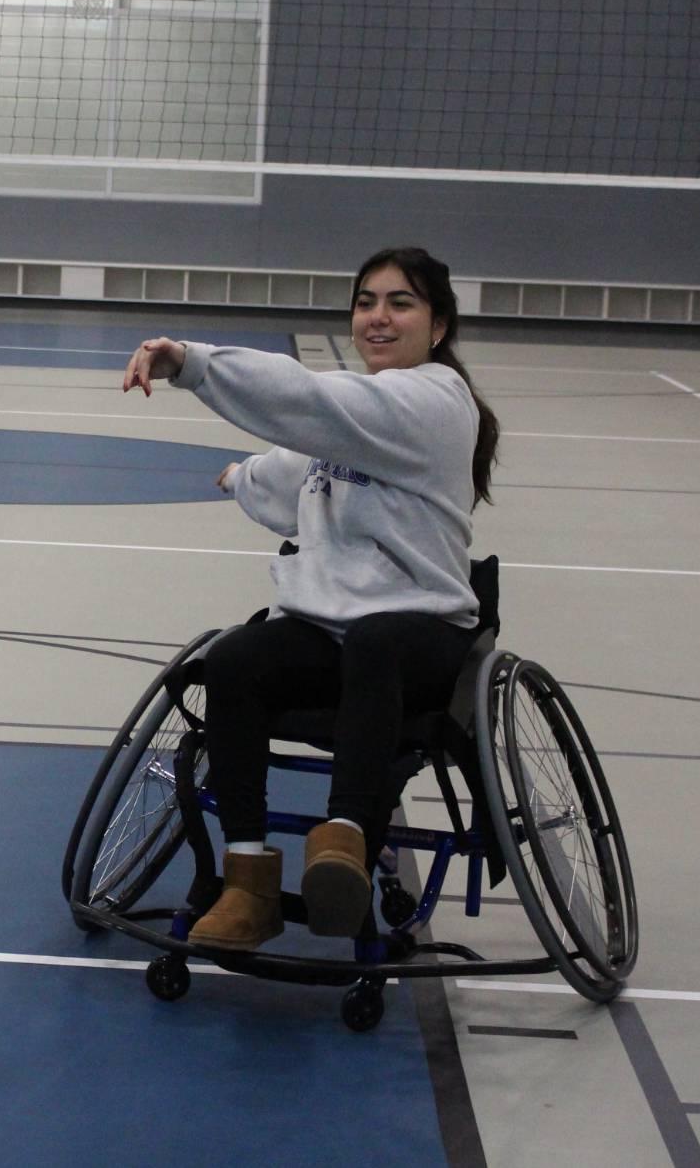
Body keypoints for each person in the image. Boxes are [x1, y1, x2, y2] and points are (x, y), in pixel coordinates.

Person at [120, 246, 500, 949]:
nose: (378, 317)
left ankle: (345, 846)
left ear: (438, 326)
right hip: (334, 633)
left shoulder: (436, 401)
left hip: (424, 632)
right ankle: (248, 879)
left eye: (400, 302)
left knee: (378, 640)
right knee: (235, 659)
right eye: (366, 302)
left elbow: (313, 401)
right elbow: (299, 468)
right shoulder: (364, 417)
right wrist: (241, 479)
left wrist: (195, 363)